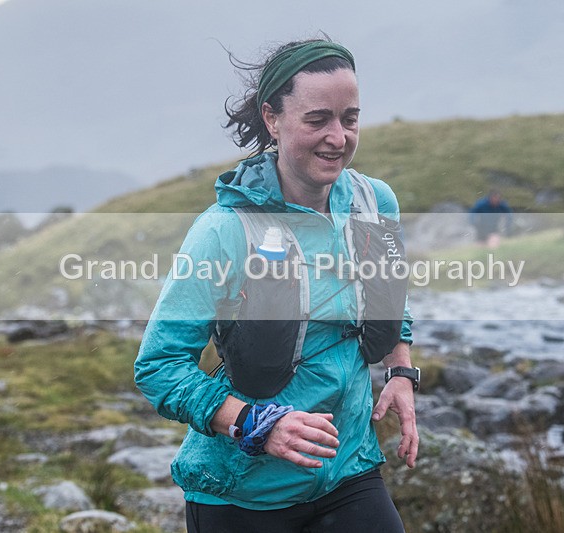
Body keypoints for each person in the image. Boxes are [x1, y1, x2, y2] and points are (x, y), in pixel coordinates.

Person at [134, 39, 418, 533]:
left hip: (348, 473)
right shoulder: (224, 230)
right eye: (317, 120)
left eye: (349, 119)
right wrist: (254, 424)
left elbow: (389, 295)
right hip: (243, 494)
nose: (337, 137)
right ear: (272, 118)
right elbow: (159, 367)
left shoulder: (374, 202)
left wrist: (400, 371)